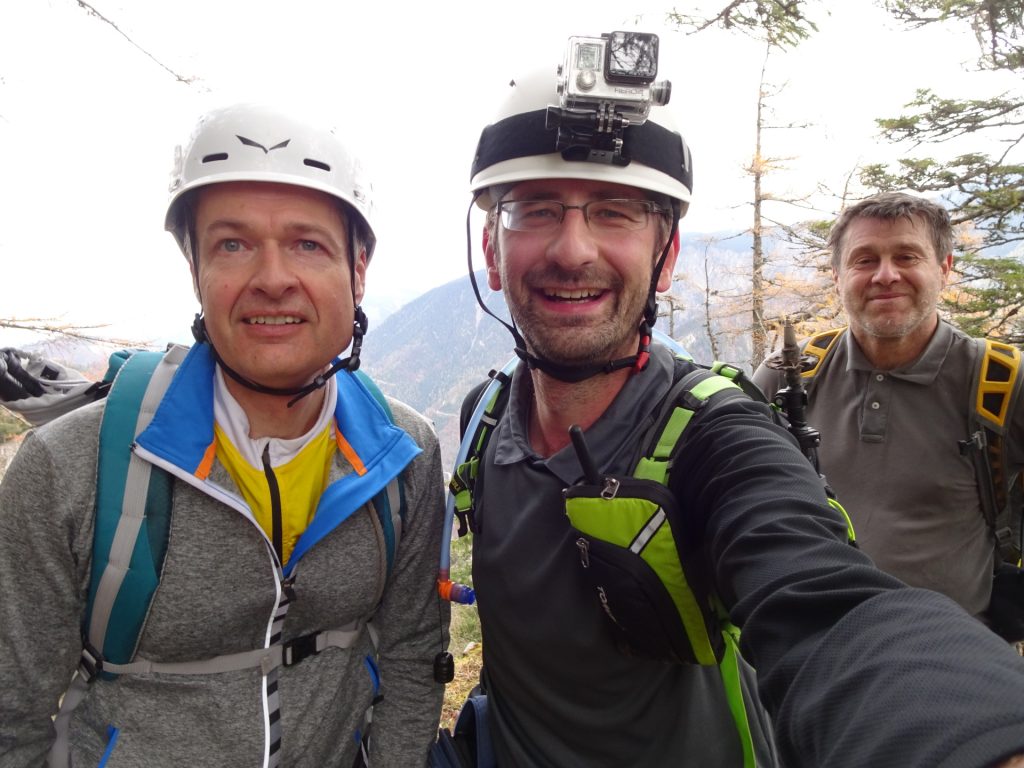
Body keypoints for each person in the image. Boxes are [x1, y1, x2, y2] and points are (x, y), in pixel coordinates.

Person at [452, 35, 1024, 768]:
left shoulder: (714, 436)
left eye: (615, 212)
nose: (573, 249)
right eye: (533, 210)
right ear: (491, 252)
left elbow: (822, 600)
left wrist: (976, 743)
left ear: (667, 256)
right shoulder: (485, 416)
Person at [0, 104, 447, 767]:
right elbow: (14, 713)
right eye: (233, 244)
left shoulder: (402, 456)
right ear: (195, 267)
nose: (271, 278)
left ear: (358, 269)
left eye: (307, 243)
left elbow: (412, 658)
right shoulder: (72, 468)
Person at [752, 192, 1024, 630]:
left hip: (950, 654)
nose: (886, 275)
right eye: (864, 260)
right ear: (838, 277)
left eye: (907, 256)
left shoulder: (999, 381)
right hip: (812, 646)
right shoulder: (792, 372)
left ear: (944, 268)